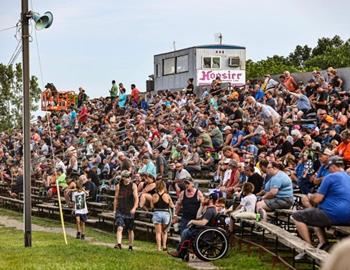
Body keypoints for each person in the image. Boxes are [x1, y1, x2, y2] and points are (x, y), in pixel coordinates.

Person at [292, 156, 350, 260]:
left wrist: (311, 196)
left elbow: (317, 199)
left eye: (329, 168)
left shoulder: (330, 177)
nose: (328, 170)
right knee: (314, 213)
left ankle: (308, 249)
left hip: (334, 215)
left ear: (333, 166)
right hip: (348, 216)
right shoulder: (348, 177)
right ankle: (323, 243)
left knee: (297, 216)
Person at [170, 193, 218, 258]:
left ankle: (180, 251)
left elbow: (203, 222)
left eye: (207, 198)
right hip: (203, 229)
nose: (204, 199)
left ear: (211, 200)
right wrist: (201, 205)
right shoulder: (209, 209)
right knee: (186, 231)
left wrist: (192, 221)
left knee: (185, 232)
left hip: (205, 231)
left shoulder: (210, 210)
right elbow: (198, 217)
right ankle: (181, 251)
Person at [113, 170, 139, 250]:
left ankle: (130, 246)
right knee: (119, 227)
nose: (128, 179)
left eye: (129, 177)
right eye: (126, 177)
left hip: (129, 209)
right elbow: (116, 198)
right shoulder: (118, 185)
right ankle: (119, 244)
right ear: (123, 178)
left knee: (130, 230)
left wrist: (134, 208)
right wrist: (114, 209)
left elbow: (136, 198)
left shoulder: (133, 185)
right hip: (120, 209)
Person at [152, 181, 175, 251]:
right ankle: (164, 246)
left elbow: (152, 206)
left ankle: (159, 248)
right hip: (166, 214)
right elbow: (172, 205)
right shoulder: (167, 195)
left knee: (158, 233)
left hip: (157, 213)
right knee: (164, 232)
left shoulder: (154, 195)